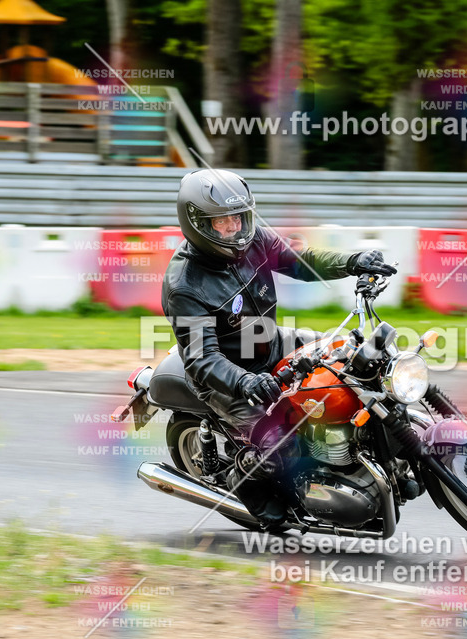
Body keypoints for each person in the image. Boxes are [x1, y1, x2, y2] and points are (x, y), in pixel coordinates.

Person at [162, 168, 396, 524]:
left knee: (355, 361)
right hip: (228, 375)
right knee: (279, 446)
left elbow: (300, 260)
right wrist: (246, 382)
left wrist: (352, 262)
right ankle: (247, 484)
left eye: (239, 218)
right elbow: (203, 359)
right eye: (222, 222)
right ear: (197, 223)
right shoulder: (184, 285)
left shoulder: (254, 238)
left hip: (269, 340)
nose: (234, 229)